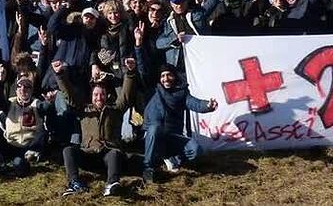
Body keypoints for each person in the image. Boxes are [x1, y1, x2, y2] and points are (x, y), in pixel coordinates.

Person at [55, 48, 139, 198]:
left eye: (102, 95)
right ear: (91, 97)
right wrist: (60, 75)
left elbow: (125, 95)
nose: (99, 98)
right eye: (95, 95)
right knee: (68, 150)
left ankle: (112, 184)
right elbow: (70, 96)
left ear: (106, 96)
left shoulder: (115, 110)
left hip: (109, 157)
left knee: (114, 153)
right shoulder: (84, 109)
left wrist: (130, 73)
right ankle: (75, 183)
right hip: (89, 155)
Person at [139, 56, 217, 184]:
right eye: (163, 76)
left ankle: (173, 158)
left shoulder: (182, 93)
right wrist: (138, 45)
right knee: (154, 128)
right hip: (154, 137)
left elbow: (194, 103)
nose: (166, 79)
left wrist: (207, 105)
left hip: (173, 136)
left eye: (169, 75)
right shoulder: (153, 90)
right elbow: (142, 69)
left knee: (196, 150)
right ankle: (149, 168)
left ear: (174, 76)